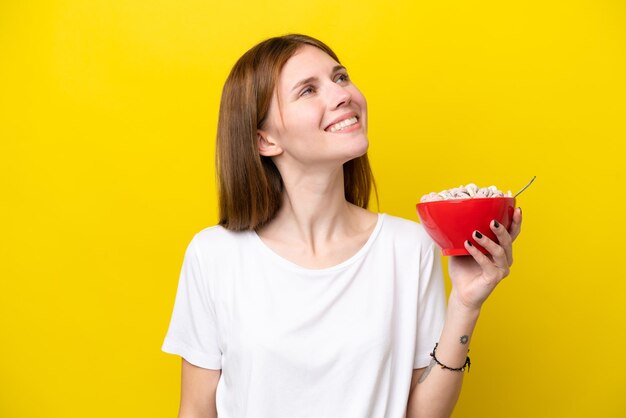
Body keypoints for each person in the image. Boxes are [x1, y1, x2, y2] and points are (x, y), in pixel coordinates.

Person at [162, 34, 523, 418]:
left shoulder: (409, 246)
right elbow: (197, 410)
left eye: (340, 77)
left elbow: (423, 415)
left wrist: (465, 305)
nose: (341, 95)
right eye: (307, 90)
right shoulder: (214, 255)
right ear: (264, 139)